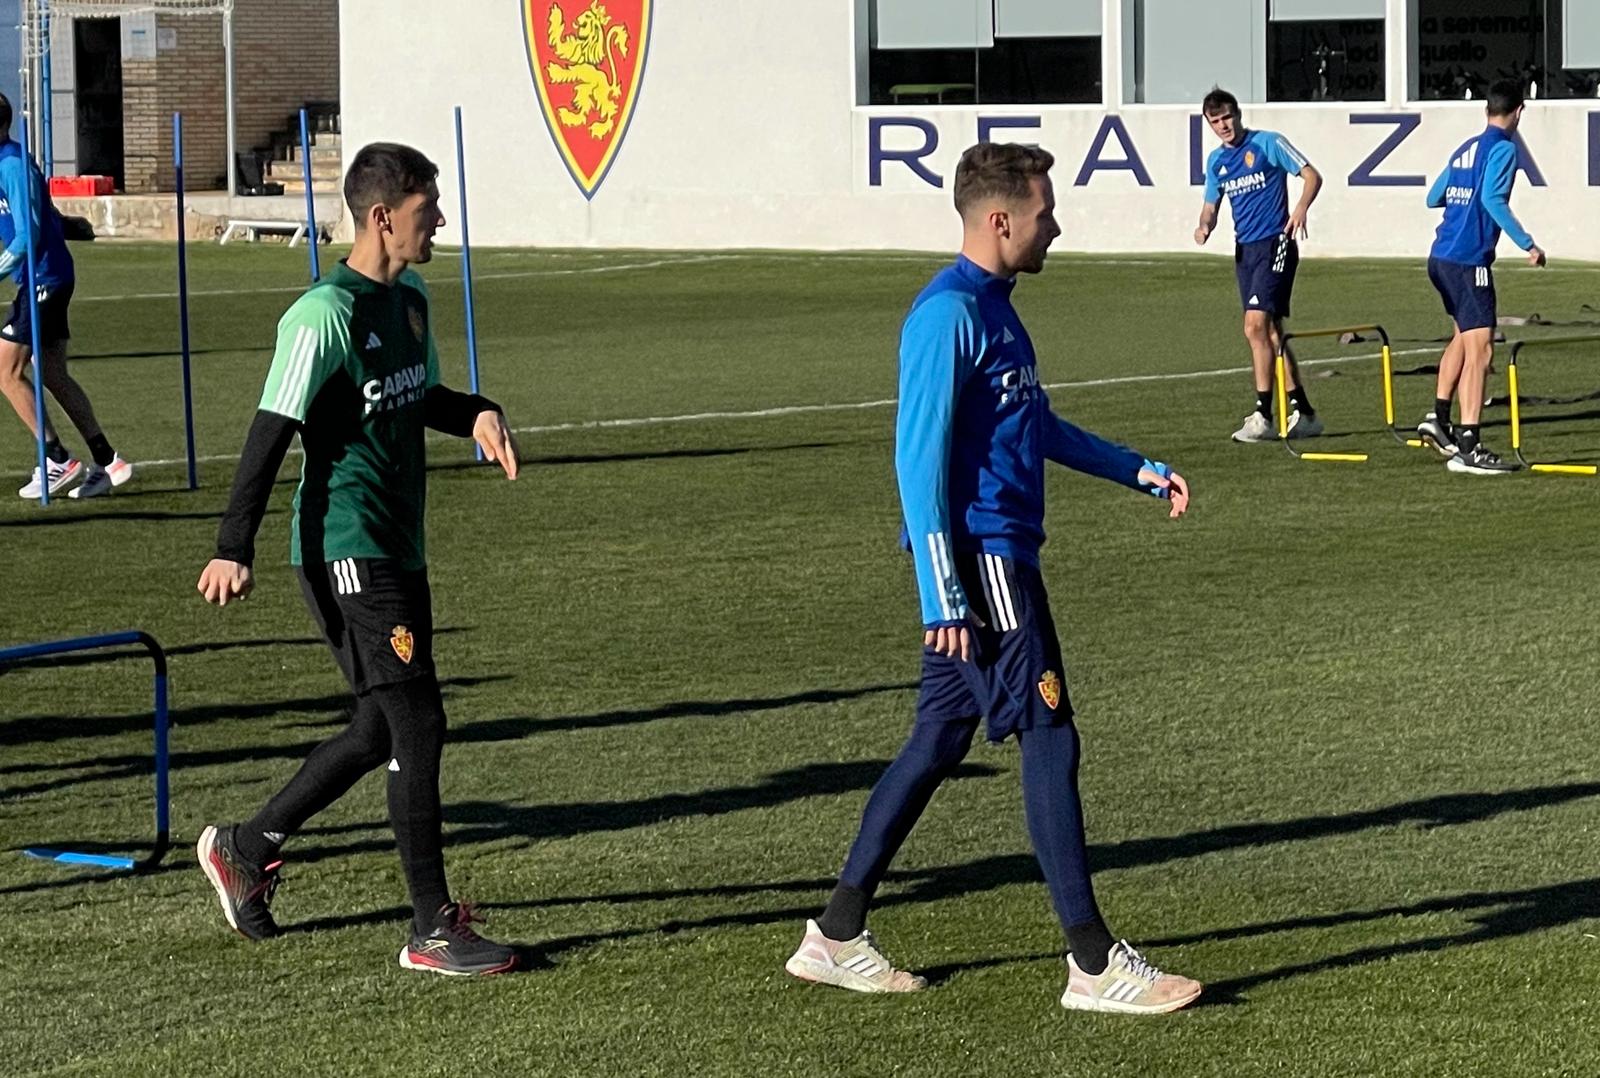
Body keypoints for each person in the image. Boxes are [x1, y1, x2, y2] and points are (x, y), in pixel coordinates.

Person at [784, 142, 1202, 1015]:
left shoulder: (998, 309)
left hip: (993, 555)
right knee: (1050, 732)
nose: (1057, 224)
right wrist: (944, 593)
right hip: (985, 560)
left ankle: (835, 933)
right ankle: (1092, 963)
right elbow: (917, 460)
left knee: (938, 741)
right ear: (1001, 218)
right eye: (1047, 212)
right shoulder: (946, 316)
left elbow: (1033, 421)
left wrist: (1134, 469)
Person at [195, 142, 523, 976]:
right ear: (383, 216)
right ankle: (431, 927)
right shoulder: (322, 314)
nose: (440, 222)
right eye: (427, 210)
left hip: (397, 543)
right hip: (344, 550)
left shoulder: (409, 301)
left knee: (383, 723)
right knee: (419, 721)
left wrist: (477, 412)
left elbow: (421, 400)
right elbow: (269, 433)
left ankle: (245, 845)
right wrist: (234, 546)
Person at [0, 92, 130, 498]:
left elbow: (29, 232)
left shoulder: (13, 166)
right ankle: (109, 461)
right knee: (53, 373)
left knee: (4, 370)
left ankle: (56, 458)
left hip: (45, 277)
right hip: (40, 276)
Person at [1415, 80, 1546, 475]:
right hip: (1469, 261)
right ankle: (1469, 446)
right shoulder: (1505, 149)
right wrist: (1527, 243)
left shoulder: (1466, 148)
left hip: (1440, 257)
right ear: (1519, 112)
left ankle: (1439, 419)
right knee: (1482, 350)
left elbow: (1433, 196)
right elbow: (1492, 199)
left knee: (1463, 336)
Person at [1194, 86, 1325, 444]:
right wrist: (1204, 224)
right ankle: (1306, 413)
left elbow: (1312, 175)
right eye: (1215, 121)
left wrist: (1299, 209)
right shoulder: (1217, 162)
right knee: (1269, 333)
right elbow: (1211, 203)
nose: (1223, 126)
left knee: (1254, 326)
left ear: (1238, 114)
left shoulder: (1267, 144)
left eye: (1227, 117)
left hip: (1276, 243)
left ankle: (1263, 414)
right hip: (1246, 251)